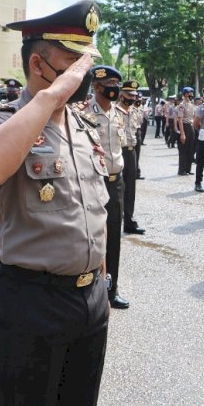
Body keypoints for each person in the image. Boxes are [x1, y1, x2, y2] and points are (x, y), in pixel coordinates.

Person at [0, 0, 111, 406]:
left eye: (86, 62)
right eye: (73, 62)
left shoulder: (84, 127)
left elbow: (93, 211)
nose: (83, 73)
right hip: (30, 302)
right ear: (37, 64)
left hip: (89, 299)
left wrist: (101, 286)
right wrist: (49, 99)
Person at [82, 65, 130, 309]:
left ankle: (112, 289)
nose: (115, 90)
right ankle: (92, 288)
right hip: (94, 182)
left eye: (116, 86)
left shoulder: (118, 113)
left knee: (114, 238)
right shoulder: (83, 113)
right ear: (97, 87)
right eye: (110, 86)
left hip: (116, 182)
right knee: (92, 236)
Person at [118, 80, 146, 236]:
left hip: (131, 152)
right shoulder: (114, 111)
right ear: (121, 94)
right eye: (129, 95)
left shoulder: (135, 112)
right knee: (117, 189)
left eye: (134, 95)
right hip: (118, 152)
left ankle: (129, 221)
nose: (132, 98)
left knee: (131, 188)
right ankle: (113, 222)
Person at [176, 87, 196, 175]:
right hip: (184, 126)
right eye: (189, 93)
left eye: (192, 93)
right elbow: (180, 120)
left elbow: (194, 117)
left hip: (191, 127)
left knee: (190, 149)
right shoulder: (181, 105)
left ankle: (188, 169)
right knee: (183, 149)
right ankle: (181, 170)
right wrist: (182, 134)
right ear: (185, 94)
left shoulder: (192, 105)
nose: (191, 95)